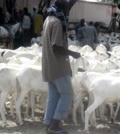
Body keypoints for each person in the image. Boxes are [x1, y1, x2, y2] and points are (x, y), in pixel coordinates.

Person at [42, 0, 81, 133]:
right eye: (67, 9)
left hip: (48, 65)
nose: (67, 11)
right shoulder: (58, 23)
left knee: (54, 95)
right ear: (63, 8)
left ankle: (48, 124)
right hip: (58, 65)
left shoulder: (48, 19)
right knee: (67, 93)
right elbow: (56, 47)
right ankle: (54, 126)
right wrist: (73, 53)